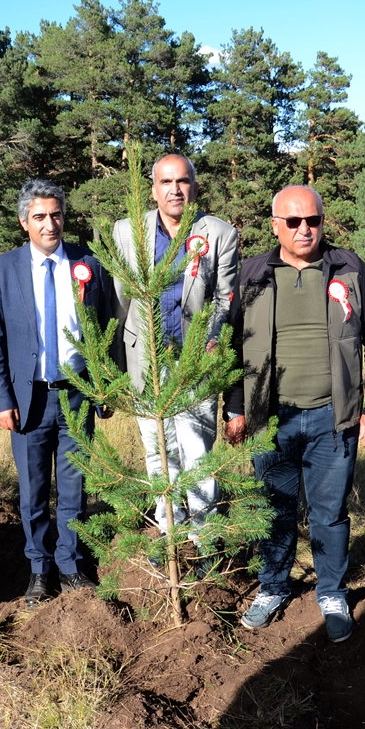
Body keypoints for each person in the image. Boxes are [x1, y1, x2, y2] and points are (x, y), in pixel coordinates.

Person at [224, 185, 365, 643]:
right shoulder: (253, 274)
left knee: (329, 513)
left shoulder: (348, 268)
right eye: (293, 222)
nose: (304, 229)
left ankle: (333, 593)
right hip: (269, 419)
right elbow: (234, 348)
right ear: (274, 224)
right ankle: (273, 586)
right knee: (273, 510)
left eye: (312, 220)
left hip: (333, 419)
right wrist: (236, 407)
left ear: (322, 220)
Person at [0, 179, 114, 607]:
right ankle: (40, 570)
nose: (49, 224)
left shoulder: (87, 263)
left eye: (56, 214)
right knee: (34, 491)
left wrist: (104, 386)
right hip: (29, 400)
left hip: (77, 393)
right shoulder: (4, 269)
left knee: (75, 488)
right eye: (39, 216)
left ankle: (71, 564)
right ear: (25, 221)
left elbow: (106, 328)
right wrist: (1, 398)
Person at [110, 154, 238, 556]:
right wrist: (117, 360)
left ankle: (205, 540)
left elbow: (225, 299)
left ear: (194, 187)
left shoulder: (218, 233)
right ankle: (171, 537)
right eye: (166, 182)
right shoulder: (127, 231)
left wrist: (209, 340)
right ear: (153, 189)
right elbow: (119, 298)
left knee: (197, 451)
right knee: (157, 450)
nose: (175, 189)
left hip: (195, 361)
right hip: (144, 359)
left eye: (183, 181)